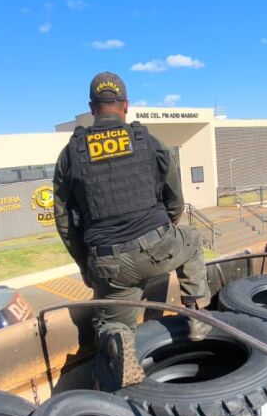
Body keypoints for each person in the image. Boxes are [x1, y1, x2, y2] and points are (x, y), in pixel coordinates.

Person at [53, 71, 212, 387]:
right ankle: (197, 315)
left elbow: (64, 220)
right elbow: (175, 199)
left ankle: (119, 339)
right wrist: (162, 233)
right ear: (125, 105)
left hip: (109, 263)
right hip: (156, 245)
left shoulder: (71, 154)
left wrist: (85, 265)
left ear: (92, 107)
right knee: (192, 239)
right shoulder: (147, 141)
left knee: (112, 323)